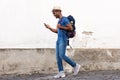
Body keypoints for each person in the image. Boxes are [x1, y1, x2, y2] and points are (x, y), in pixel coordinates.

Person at [44, 6, 81, 78]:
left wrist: (61, 27)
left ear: (59, 11)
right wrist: (49, 28)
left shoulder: (64, 19)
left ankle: (75, 65)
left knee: (62, 55)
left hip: (63, 39)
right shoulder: (59, 21)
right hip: (59, 39)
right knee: (58, 57)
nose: (54, 14)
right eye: (53, 13)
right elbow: (57, 31)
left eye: (54, 12)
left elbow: (70, 28)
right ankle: (61, 72)